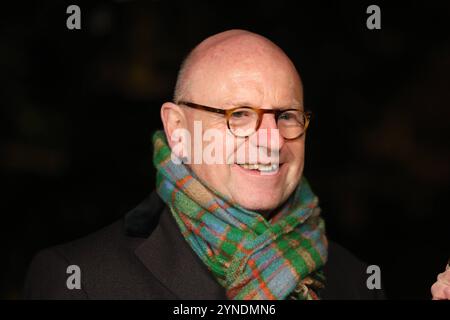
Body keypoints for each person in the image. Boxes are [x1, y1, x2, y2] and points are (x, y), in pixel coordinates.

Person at [24, 29, 385, 300]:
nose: (273, 141)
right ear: (178, 130)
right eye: (240, 115)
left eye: (287, 115)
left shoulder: (354, 280)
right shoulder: (82, 281)